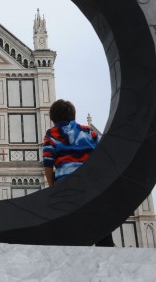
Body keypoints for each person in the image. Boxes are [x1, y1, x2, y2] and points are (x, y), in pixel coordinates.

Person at [42, 99, 115, 247]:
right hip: (90, 184)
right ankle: (106, 247)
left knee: (72, 224)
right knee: (99, 219)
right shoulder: (88, 131)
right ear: (73, 116)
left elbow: (48, 163)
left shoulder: (52, 134)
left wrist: (52, 186)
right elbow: (105, 151)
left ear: (53, 118)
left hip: (66, 187)